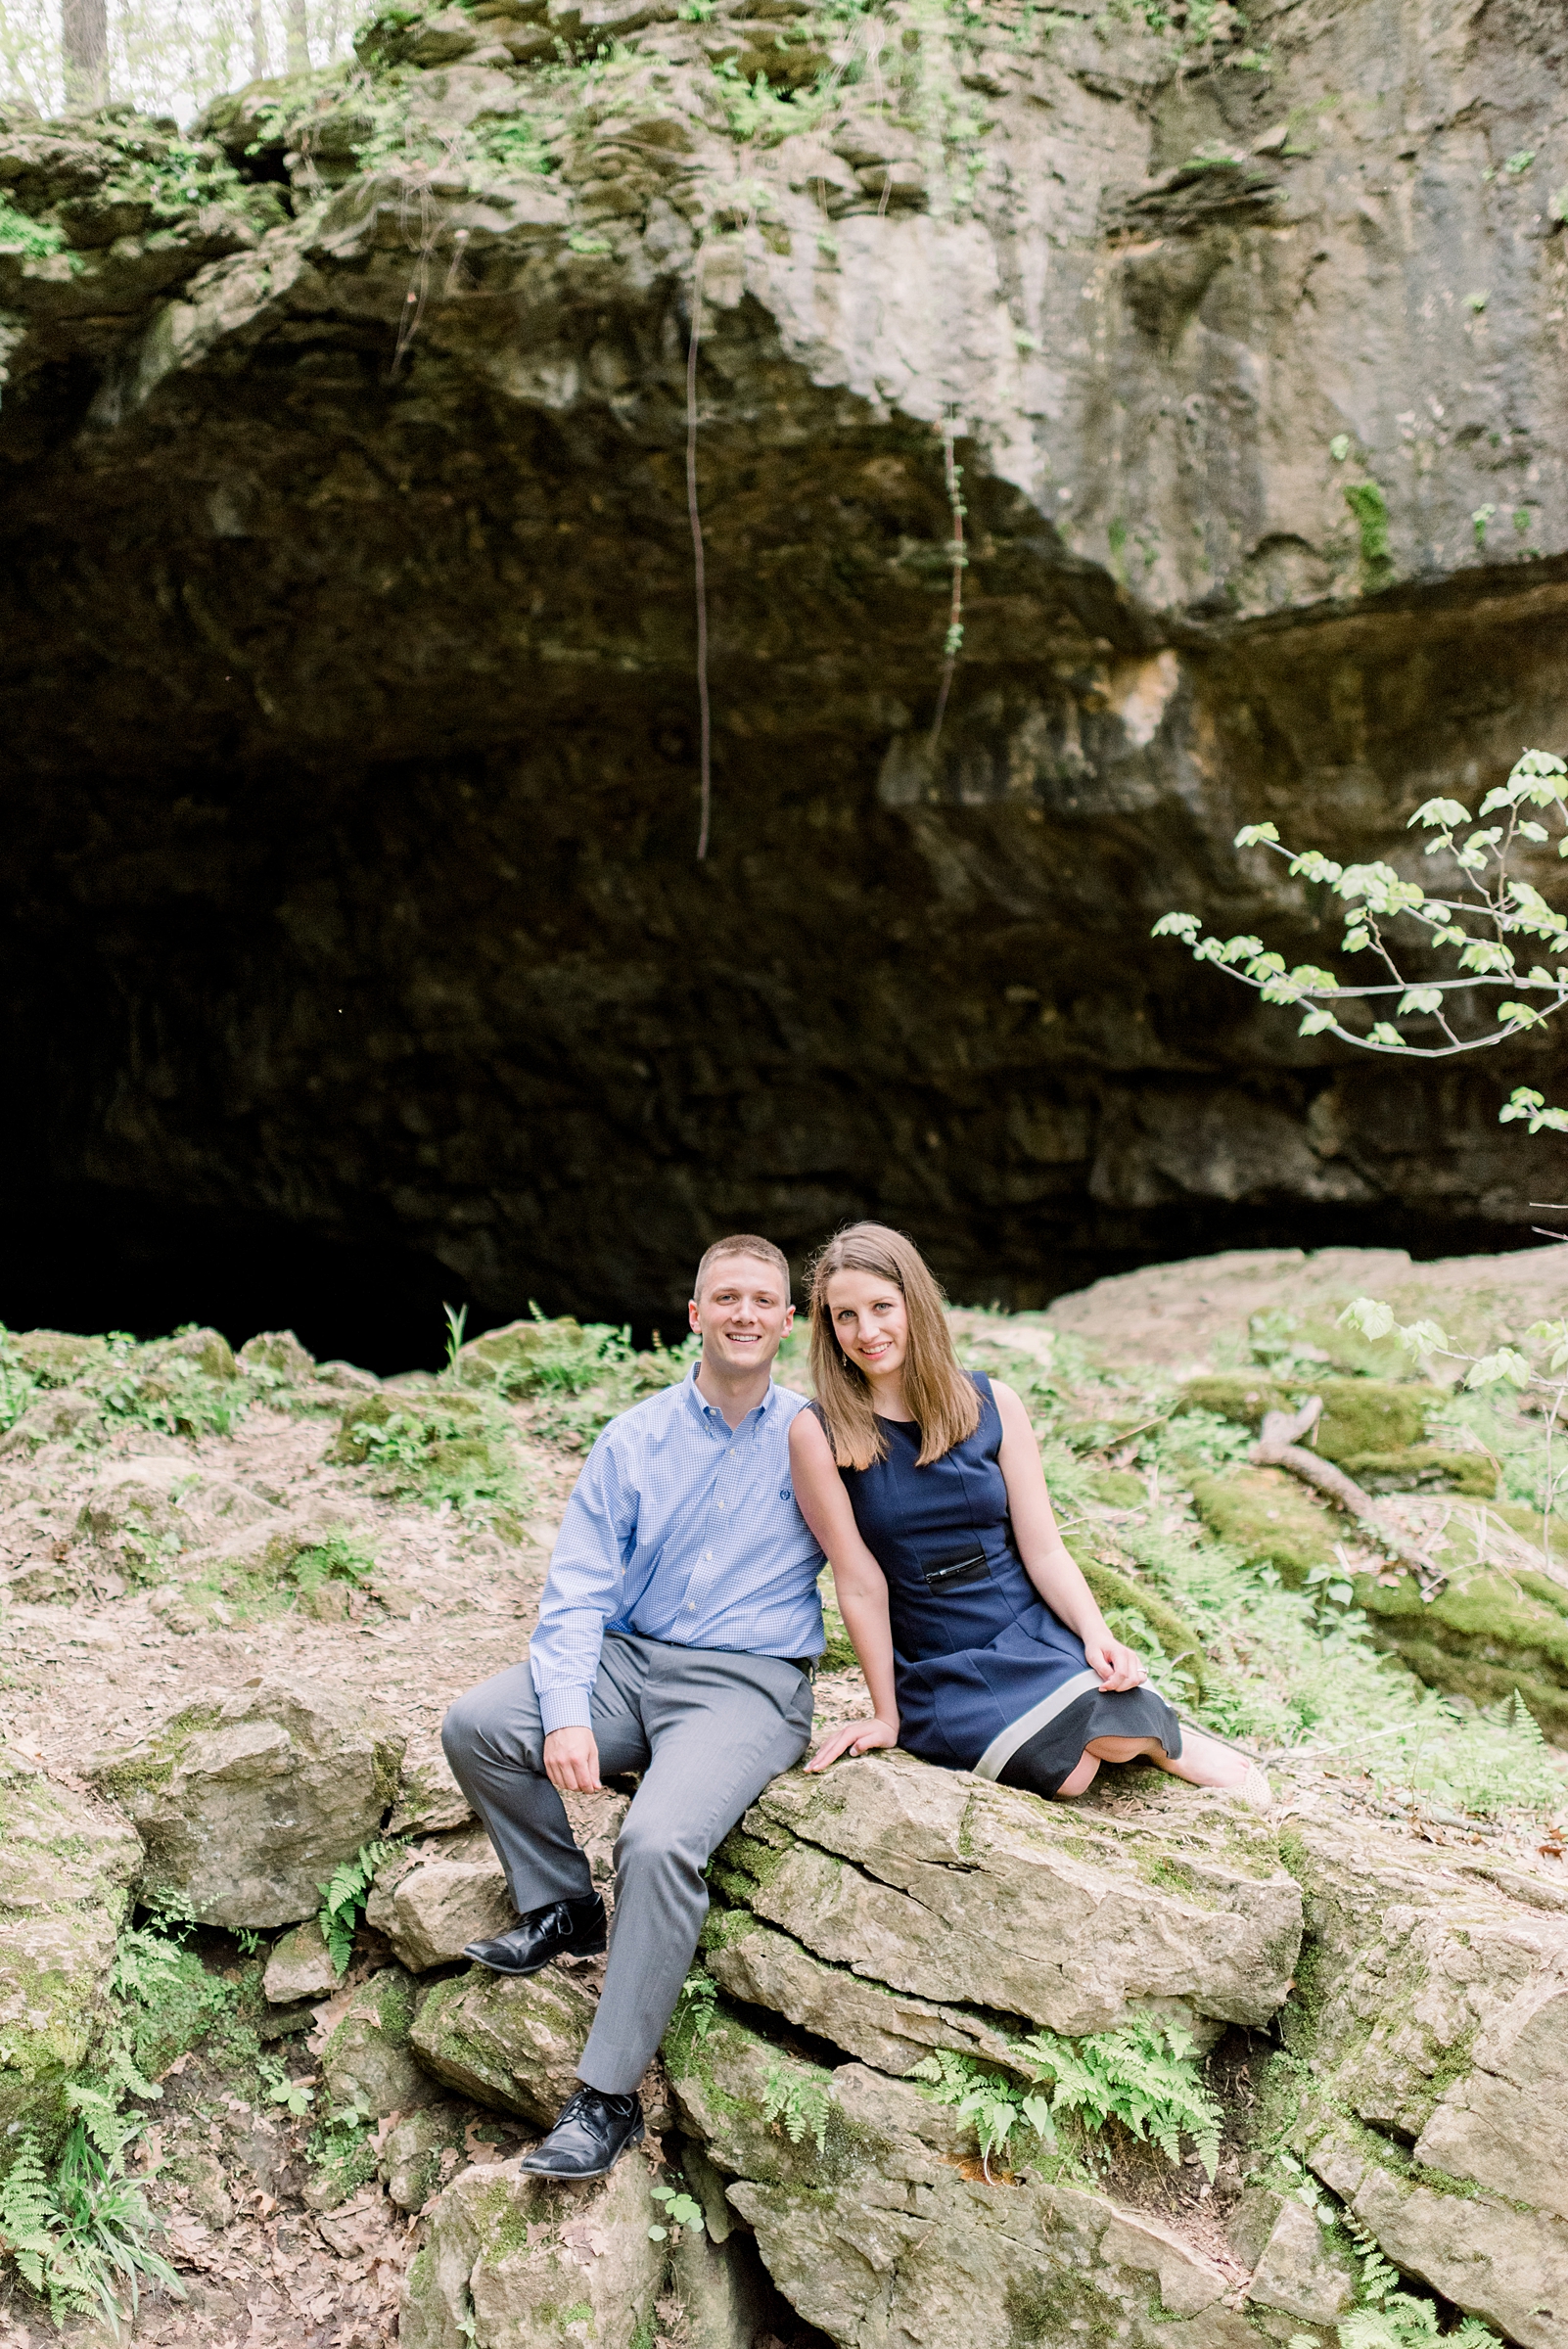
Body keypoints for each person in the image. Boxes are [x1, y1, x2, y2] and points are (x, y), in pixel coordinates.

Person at [440, 1236, 823, 2184]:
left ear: (787, 1322)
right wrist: (567, 1709)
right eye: (724, 1297)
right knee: (479, 1726)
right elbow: (574, 1593)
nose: (743, 1313)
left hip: (747, 1682)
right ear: (694, 1317)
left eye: (762, 1299)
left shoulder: (818, 1438)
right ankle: (564, 1905)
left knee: (655, 1841)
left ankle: (606, 2096)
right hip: (628, 1658)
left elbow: (887, 1562)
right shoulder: (635, 1437)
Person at [790, 1222, 1269, 1808]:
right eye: (845, 1316)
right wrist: (887, 1716)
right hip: (938, 1659)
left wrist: (1098, 1637)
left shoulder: (993, 1403)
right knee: (1068, 1775)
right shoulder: (818, 1432)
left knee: (1113, 1741)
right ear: (828, 1326)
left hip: (1027, 1627)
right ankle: (1135, 1733)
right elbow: (859, 1584)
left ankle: (1160, 1743)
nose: (867, 1331)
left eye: (882, 1306)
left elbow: (1043, 1549)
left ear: (915, 1303)